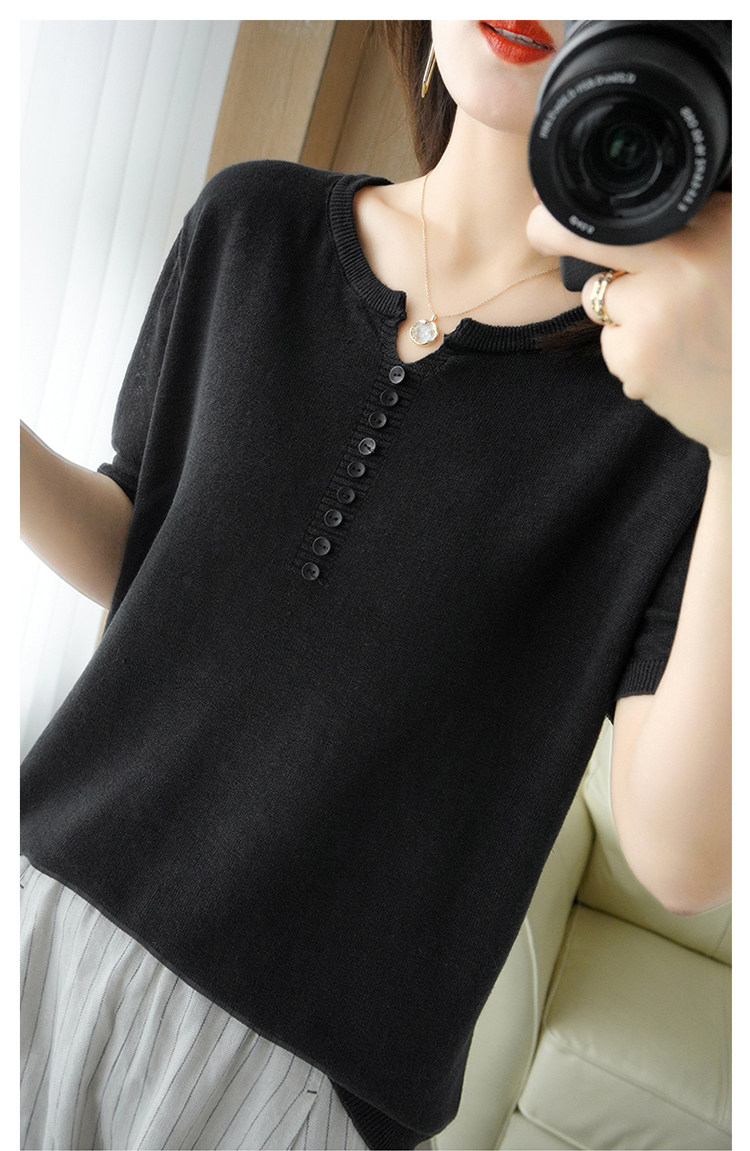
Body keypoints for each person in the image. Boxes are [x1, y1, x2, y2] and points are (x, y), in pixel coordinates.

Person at [20, 19, 730, 1151]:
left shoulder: (676, 422)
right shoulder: (248, 222)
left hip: (295, 1081)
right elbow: (145, 557)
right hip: (50, 917)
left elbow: (680, 850)